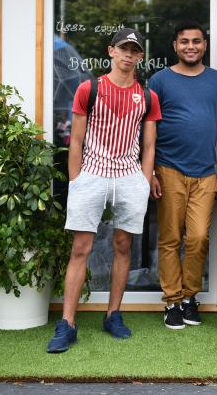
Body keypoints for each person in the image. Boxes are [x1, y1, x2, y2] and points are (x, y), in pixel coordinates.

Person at [47, 28, 161, 353]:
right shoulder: (90, 88)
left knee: (123, 245)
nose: (128, 54)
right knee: (80, 248)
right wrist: (76, 180)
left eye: (134, 50)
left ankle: (113, 315)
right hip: (92, 173)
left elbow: (149, 145)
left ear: (140, 56)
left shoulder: (147, 96)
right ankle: (67, 323)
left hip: (128, 176)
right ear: (111, 51)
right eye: (123, 48)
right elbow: (76, 141)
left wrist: (143, 180)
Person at [148, 21, 217, 330]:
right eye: (184, 41)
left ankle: (190, 297)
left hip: (206, 173)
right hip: (168, 169)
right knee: (170, 238)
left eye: (196, 41)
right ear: (175, 45)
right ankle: (172, 302)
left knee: (199, 237)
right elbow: (148, 128)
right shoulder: (160, 80)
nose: (191, 46)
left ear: (205, 45)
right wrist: (151, 172)